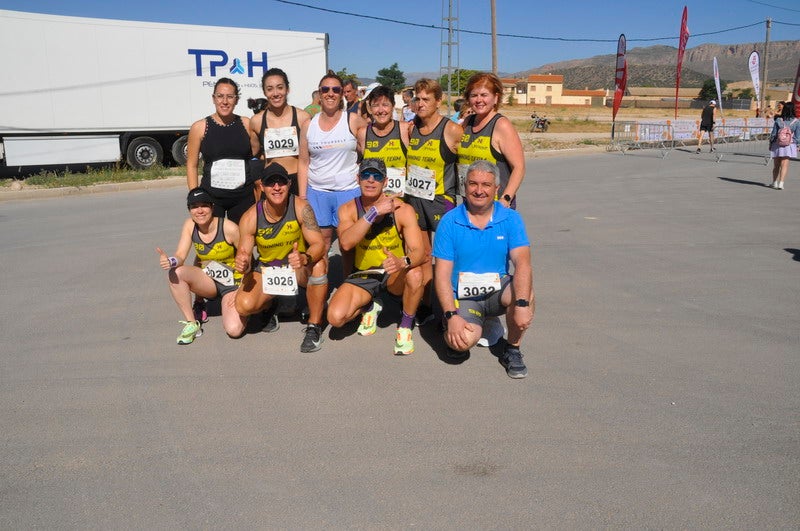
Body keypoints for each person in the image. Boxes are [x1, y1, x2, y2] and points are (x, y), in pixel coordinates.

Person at [432, 160, 535, 379]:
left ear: (497, 189)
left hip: (497, 289)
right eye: (473, 184)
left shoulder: (510, 218)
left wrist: (523, 304)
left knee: (526, 293)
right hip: (464, 295)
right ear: (465, 187)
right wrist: (451, 316)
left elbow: (523, 263)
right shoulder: (450, 222)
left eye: (486, 185)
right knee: (461, 344)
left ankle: (513, 349)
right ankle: (459, 321)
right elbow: (440, 276)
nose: (479, 190)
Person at [327, 159, 427, 355]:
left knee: (415, 274)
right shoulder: (347, 209)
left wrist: (402, 261)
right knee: (335, 318)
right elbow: (346, 243)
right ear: (358, 179)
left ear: (385, 181)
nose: (371, 180)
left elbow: (419, 251)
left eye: (377, 176)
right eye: (365, 175)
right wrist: (373, 212)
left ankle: (405, 326)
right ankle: (370, 305)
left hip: (393, 274)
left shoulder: (402, 209)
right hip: (364, 275)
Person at [234, 163, 328, 352]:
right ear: (262, 187)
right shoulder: (250, 217)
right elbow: (243, 255)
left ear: (289, 183)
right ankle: (271, 303)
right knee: (244, 306)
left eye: (281, 182)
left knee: (319, 266)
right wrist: (243, 263)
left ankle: (314, 326)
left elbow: (319, 244)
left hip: (297, 267)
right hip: (268, 268)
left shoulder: (302, 207)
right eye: (270, 183)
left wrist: (305, 258)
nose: (276, 187)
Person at [157, 187, 247, 344]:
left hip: (233, 283)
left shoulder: (229, 228)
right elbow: (180, 256)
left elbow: (248, 261)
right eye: (194, 206)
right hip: (210, 281)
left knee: (234, 330)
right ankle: (192, 323)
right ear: (189, 210)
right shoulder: (189, 226)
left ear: (212, 207)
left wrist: (241, 290)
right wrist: (170, 261)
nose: (199, 211)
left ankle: (250, 308)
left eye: (204, 205)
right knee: (175, 273)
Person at [405, 78, 462, 324]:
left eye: (426, 98)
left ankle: (450, 306)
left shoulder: (451, 129)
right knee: (424, 255)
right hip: (414, 199)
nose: (420, 103)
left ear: (438, 101)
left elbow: (469, 163)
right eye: (417, 98)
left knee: (446, 256)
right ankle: (428, 305)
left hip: (441, 201)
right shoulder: (410, 128)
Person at [297, 71, 367, 271]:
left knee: (348, 245)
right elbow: (303, 162)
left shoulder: (353, 120)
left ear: (342, 94)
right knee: (322, 243)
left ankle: (349, 288)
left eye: (335, 89)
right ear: (319, 94)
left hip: (349, 191)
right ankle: (321, 289)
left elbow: (372, 146)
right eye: (325, 89)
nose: (330, 93)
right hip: (318, 192)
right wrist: (303, 196)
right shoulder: (308, 125)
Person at [186, 78, 255, 224]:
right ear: (213, 98)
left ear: (236, 100)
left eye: (230, 97)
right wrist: (195, 197)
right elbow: (192, 165)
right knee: (216, 244)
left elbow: (256, 157)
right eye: (220, 96)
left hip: (243, 198)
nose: (225, 101)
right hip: (212, 198)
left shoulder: (247, 124)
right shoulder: (199, 127)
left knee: (242, 245)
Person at [458, 72, 526, 210]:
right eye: (473, 95)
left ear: (495, 98)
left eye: (484, 95)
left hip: (495, 206)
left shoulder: (501, 125)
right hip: (470, 202)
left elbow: (519, 167)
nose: (478, 100)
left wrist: (506, 198)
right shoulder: (466, 122)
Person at [248, 68, 311, 198]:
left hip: (297, 181)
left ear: (287, 89)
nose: (276, 93)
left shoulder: (303, 117)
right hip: (271, 182)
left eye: (280, 87)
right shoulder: (256, 121)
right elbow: (252, 153)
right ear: (265, 92)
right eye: (270, 89)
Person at [358, 85, 412, 197]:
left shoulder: (405, 129)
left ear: (393, 106)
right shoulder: (363, 133)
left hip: (401, 202)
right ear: (370, 109)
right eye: (376, 105)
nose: (381, 110)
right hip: (374, 202)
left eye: (385, 105)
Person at [768, 102, 799, 190]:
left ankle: (774, 182)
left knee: (776, 165)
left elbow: (773, 134)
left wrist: (771, 143)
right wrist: (797, 145)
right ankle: (781, 183)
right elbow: (797, 136)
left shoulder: (778, 120)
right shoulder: (796, 121)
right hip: (789, 144)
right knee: (784, 164)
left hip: (777, 144)